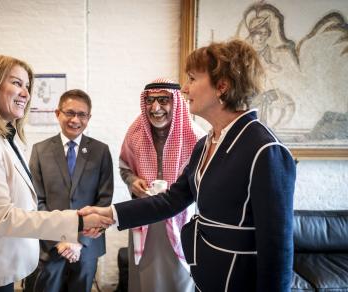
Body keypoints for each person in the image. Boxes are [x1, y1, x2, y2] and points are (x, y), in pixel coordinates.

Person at [80, 39, 296, 292]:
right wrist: (110, 214)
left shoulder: (265, 149)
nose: (185, 88)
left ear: (222, 86)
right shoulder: (205, 143)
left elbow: (278, 248)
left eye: (193, 79)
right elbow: (172, 200)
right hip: (206, 277)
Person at [0, 55, 112, 292]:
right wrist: (77, 221)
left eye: (27, 87)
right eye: (17, 83)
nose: (26, 94)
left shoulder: (4, 139)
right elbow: (3, 217)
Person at [119, 78, 203, 292]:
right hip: (144, 218)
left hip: (182, 220)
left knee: (179, 278)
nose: (155, 108)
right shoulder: (135, 132)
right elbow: (124, 167)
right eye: (150, 101)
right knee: (145, 279)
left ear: (176, 102)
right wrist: (132, 181)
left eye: (163, 100)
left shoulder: (197, 136)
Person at [28, 89, 114, 292]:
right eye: (70, 113)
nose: (75, 120)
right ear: (57, 113)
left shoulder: (100, 151)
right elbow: (36, 200)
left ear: (89, 118)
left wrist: (78, 242)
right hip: (50, 247)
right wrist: (59, 240)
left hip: (86, 247)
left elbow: (104, 200)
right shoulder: (40, 150)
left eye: (82, 114)